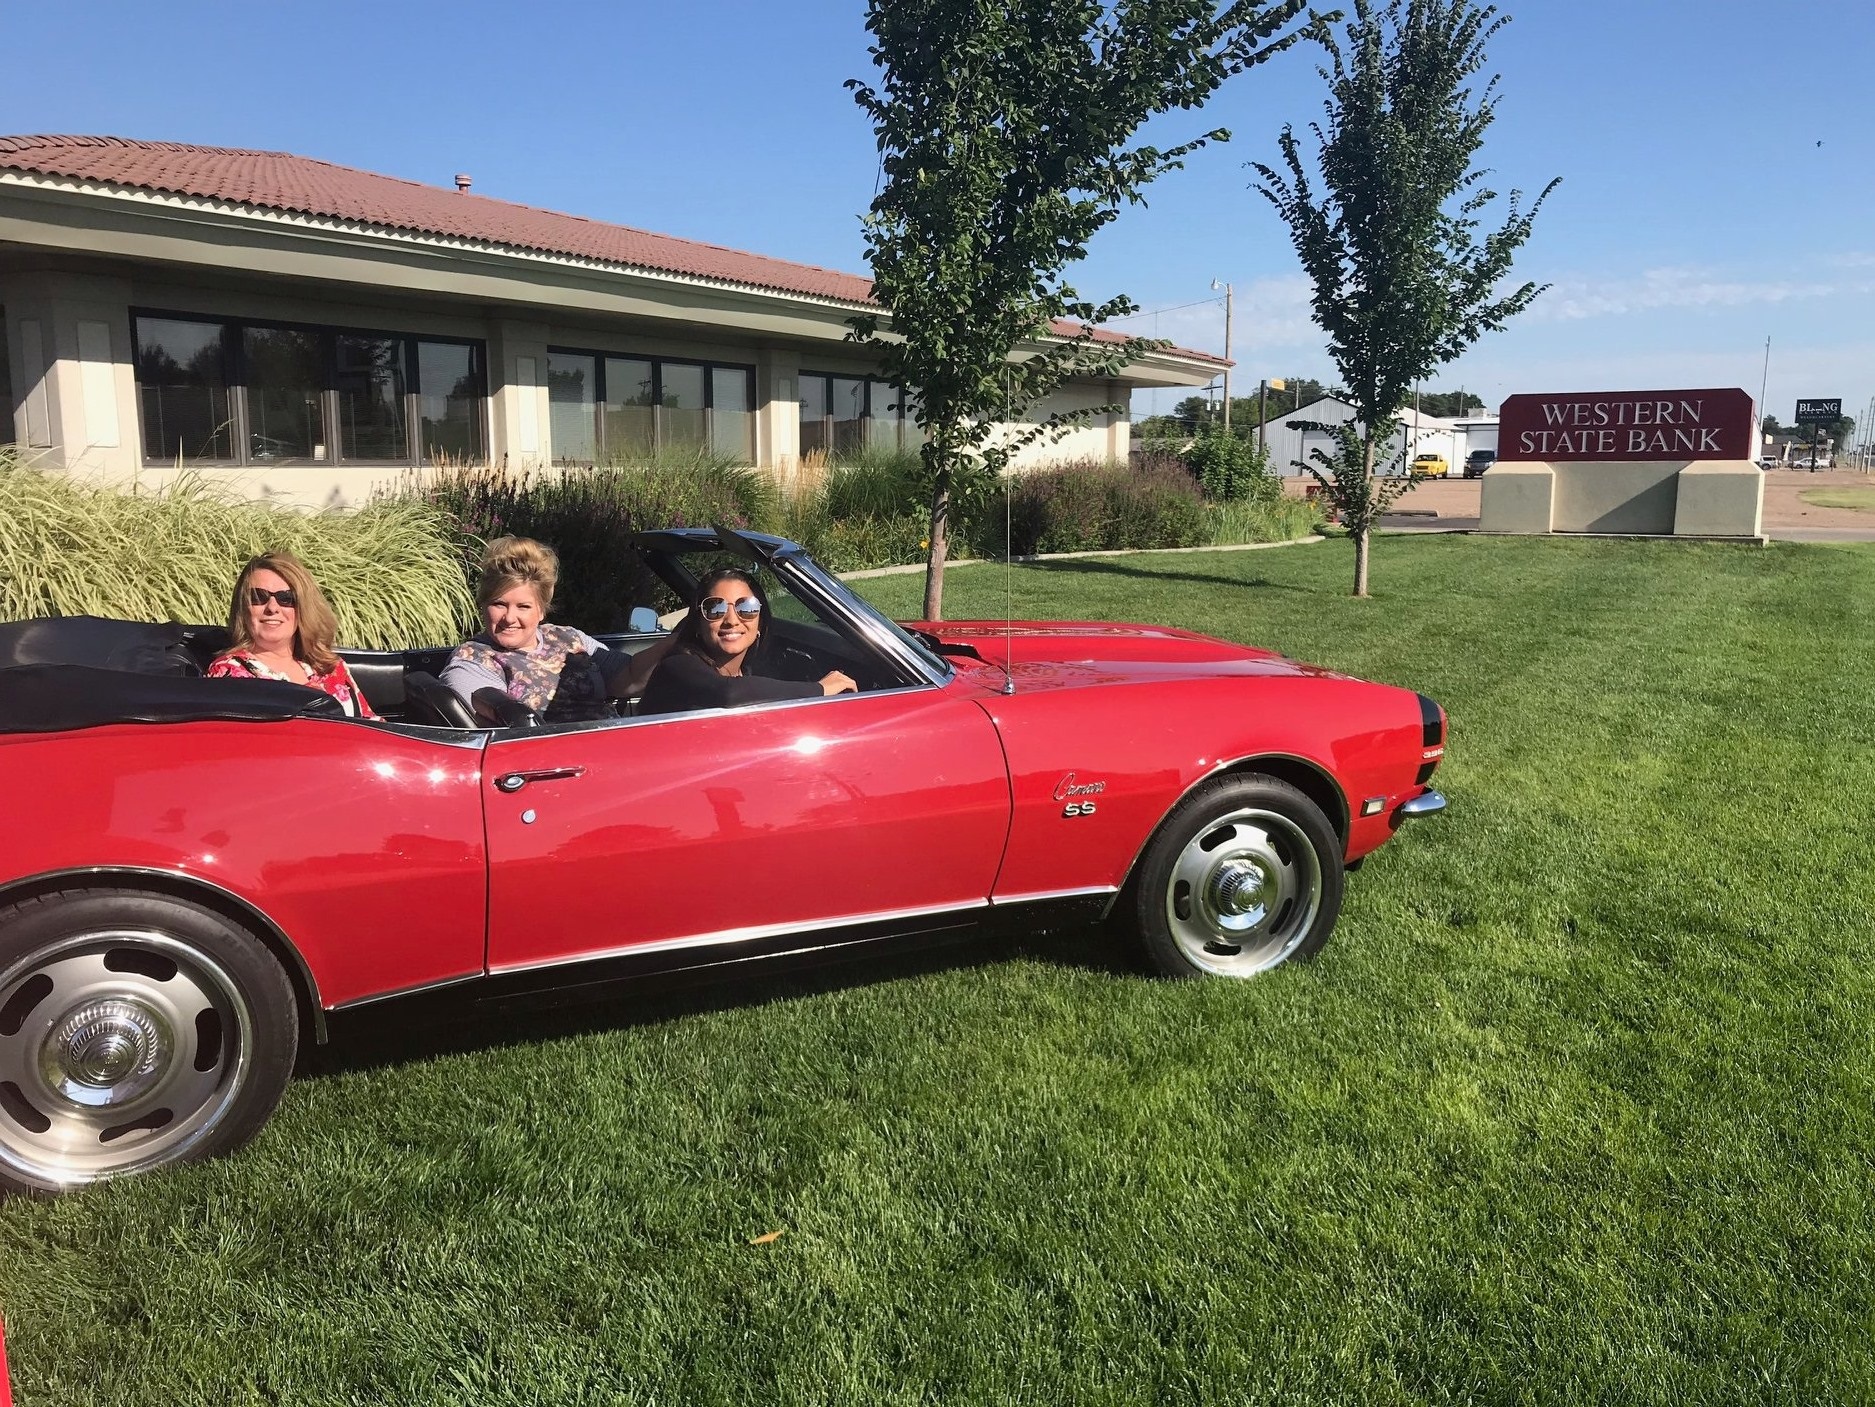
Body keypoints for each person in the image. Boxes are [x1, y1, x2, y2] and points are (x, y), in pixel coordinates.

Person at [441, 535, 673, 722]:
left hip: (613, 747)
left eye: (523, 606)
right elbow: (498, 716)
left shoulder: (568, 638)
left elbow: (629, 676)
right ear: (483, 605)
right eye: (499, 604)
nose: (509, 617)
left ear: (541, 610)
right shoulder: (473, 658)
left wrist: (678, 639)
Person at [637, 567, 856, 716]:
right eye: (715, 608)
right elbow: (729, 693)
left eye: (747, 608)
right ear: (698, 622)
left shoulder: (743, 673)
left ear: (760, 624)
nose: (731, 620)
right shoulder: (678, 666)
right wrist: (819, 689)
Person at [206, 551, 377, 719]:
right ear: (243, 608)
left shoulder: (331, 667)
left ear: (303, 608)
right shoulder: (228, 674)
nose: (272, 608)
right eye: (259, 596)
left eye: (286, 598)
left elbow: (373, 724)